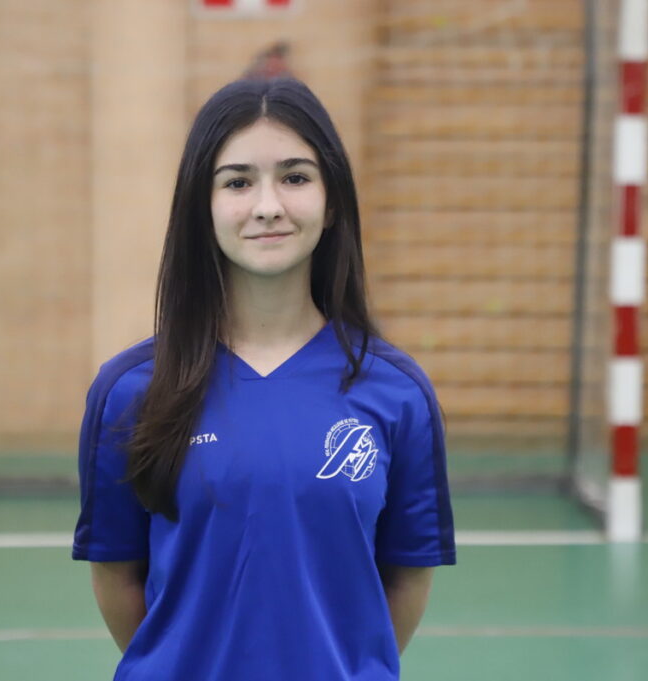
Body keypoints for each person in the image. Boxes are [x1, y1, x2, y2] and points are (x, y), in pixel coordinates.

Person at [73, 77, 456, 681]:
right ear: (203, 206)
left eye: (296, 177)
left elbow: (406, 576)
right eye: (238, 181)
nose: (268, 205)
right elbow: (117, 575)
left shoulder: (397, 392)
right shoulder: (130, 390)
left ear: (333, 203)